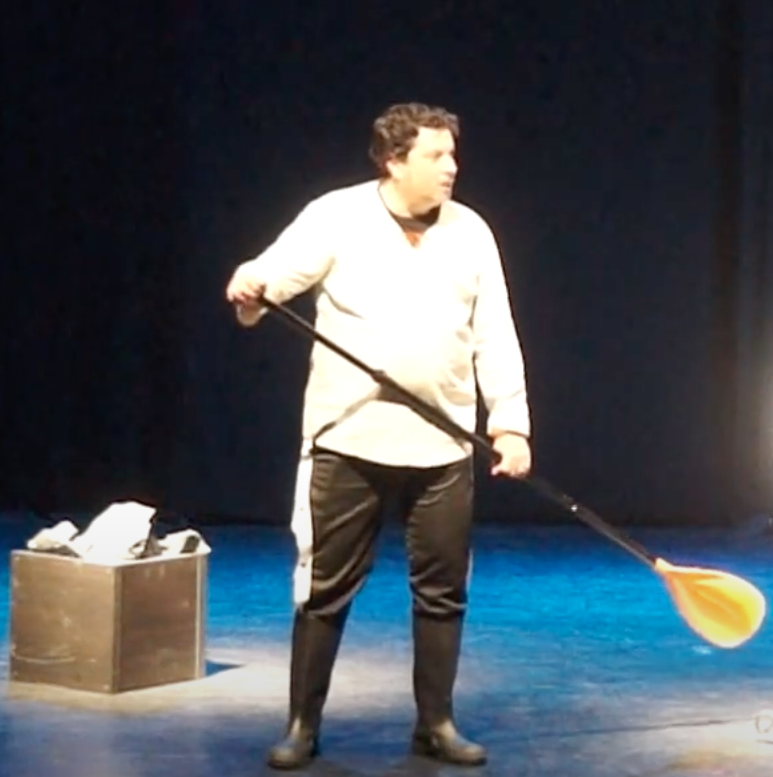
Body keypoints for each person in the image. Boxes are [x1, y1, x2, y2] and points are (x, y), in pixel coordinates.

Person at [225, 102, 532, 770]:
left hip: (443, 446)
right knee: (324, 587)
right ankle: (302, 725)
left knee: (443, 589)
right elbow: (272, 276)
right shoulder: (337, 215)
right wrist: (251, 284)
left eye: (452, 154)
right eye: (435, 155)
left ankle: (436, 723)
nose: (451, 167)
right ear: (395, 161)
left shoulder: (471, 232)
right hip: (349, 440)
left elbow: (495, 334)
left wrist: (509, 423)